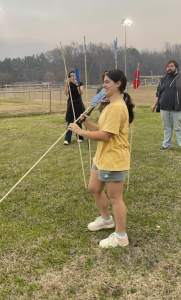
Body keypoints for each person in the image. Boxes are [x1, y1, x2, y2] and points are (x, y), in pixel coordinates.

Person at [68, 69, 134, 248]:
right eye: (103, 82)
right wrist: (88, 123)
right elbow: (101, 129)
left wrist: (80, 131)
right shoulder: (109, 105)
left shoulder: (118, 107)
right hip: (102, 156)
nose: (103, 86)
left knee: (115, 199)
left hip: (113, 158)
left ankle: (121, 236)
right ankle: (106, 219)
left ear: (118, 83)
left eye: (107, 82)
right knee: (94, 188)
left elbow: (106, 136)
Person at [151, 60, 181, 151]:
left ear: (176, 67)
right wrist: (154, 105)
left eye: (171, 66)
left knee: (178, 127)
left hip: (176, 107)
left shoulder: (180, 77)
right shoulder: (163, 78)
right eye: (167, 66)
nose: (169, 68)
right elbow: (158, 93)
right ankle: (166, 145)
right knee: (166, 127)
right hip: (164, 107)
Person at [64, 70, 85, 145]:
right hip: (71, 103)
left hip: (78, 102)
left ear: (76, 76)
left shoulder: (80, 83)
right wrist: (66, 84)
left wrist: (77, 84)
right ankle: (67, 139)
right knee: (70, 120)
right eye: (71, 76)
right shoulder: (68, 84)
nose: (72, 77)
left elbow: (81, 93)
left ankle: (80, 137)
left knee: (78, 120)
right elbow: (66, 93)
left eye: (73, 75)